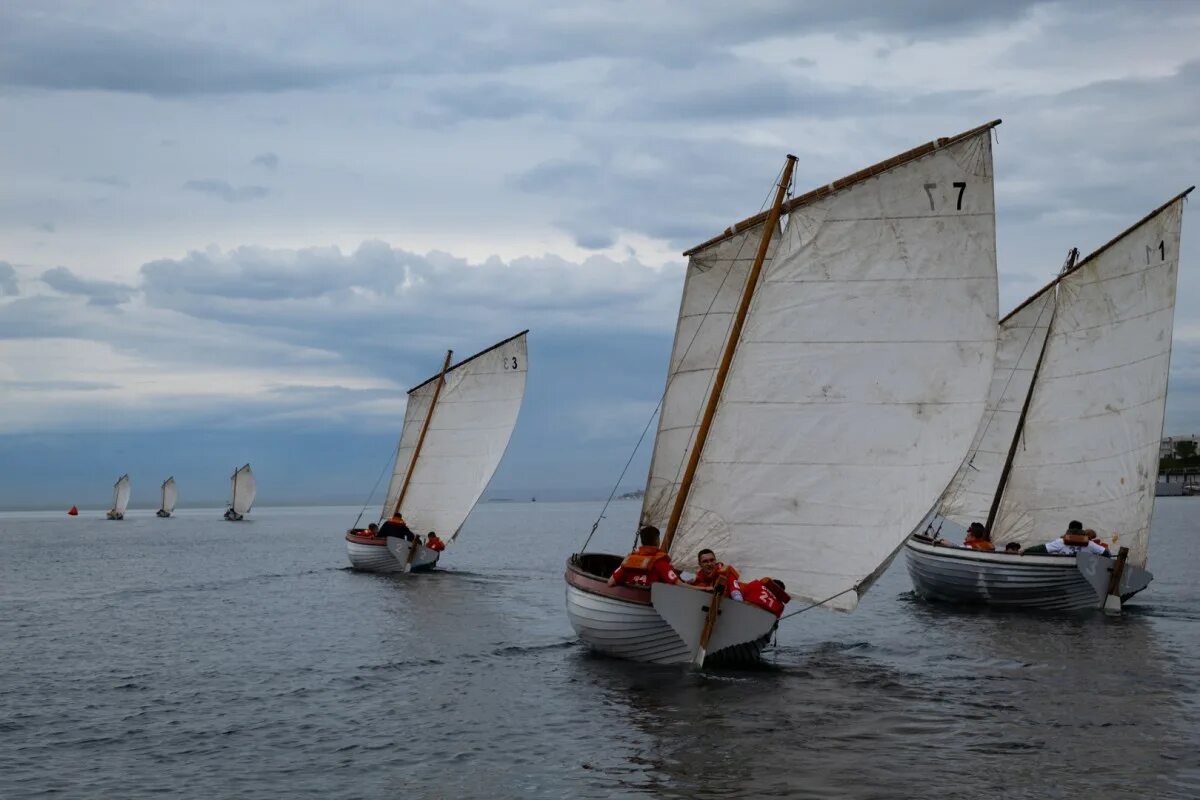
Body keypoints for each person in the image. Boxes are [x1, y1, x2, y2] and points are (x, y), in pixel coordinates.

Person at [607, 525, 680, 588]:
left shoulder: (629, 561)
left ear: (642, 541)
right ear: (657, 541)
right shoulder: (660, 563)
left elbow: (610, 582)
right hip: (651, 600)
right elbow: (678, 584)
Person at [1023, 520, 1108, 556]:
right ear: (1081, 530)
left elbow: (1041, 548)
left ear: (1069, 529)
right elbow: (1106, 553)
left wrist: (1025, 550)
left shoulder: (1060, 542)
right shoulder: (1090, 544)